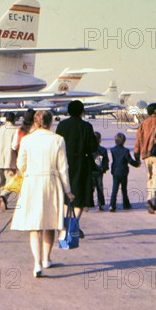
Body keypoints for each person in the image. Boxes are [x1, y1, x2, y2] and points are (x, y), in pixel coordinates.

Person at [11, 111, 74, 278]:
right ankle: (46, 259)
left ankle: (37, 263)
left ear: (35, 122)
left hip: (32, 183)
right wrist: (68, 190)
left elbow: (21, 165)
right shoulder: (58, 140)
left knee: (35, 226)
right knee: (50, 222)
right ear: (50, 122)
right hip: (51, 183)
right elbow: (63, 167)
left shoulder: (26, 140)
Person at [55, 100, 97, 236]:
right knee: (80, 196)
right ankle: (74, 224)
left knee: (65, 194)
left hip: (64, 163)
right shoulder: (87, 126)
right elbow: (93, 147)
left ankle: (66, 224)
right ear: (81, 111)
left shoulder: (62, 125)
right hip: (82, 164)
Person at [109, 133, 139, 211]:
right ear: (124, 141)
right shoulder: (126, 151)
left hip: (115, 171)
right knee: (124, 189)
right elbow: (130, 160)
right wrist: (137, 164)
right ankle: (126, 204)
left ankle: (112, 205)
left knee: (114, 189)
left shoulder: (112, 150)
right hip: (123, 172)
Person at [92, 132, 109, 210]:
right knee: (100, 187)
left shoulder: (88, 149)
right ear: (100, 140)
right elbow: (106, 161)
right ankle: (100, 204)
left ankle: (88, 203)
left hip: (91, 171)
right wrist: (104, 169)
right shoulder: (103, 150)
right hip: (99, 171)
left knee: (90, 188)